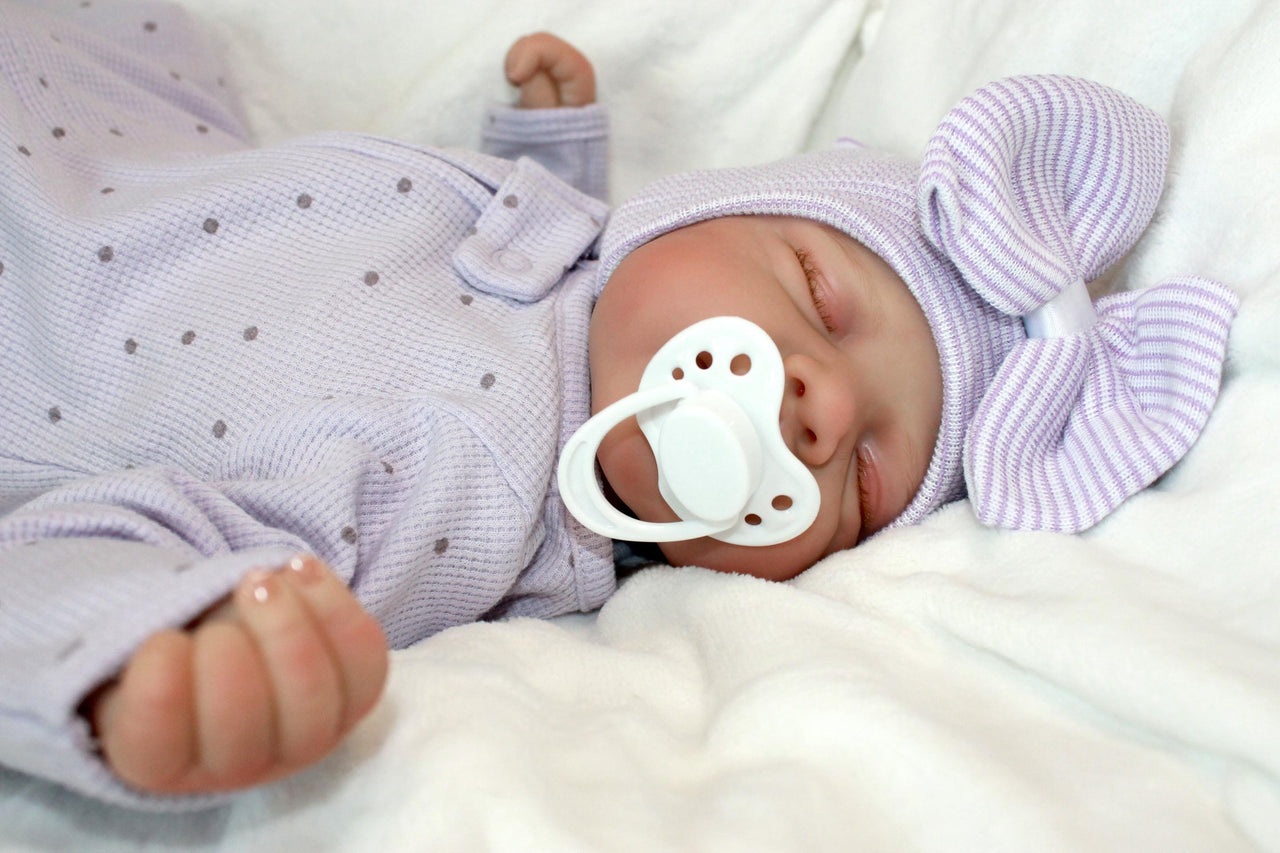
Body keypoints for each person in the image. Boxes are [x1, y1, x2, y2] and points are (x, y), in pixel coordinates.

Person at [0, 0, 1235, 811]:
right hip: (123, 139)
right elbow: (605, 279)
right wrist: (550, 157)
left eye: (860, 474)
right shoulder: (584, 257)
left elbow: (113, 545)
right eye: (814, 284)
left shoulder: (471, 487)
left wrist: (146, 669)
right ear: (698, 204)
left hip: (55, 306)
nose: (819, 399)